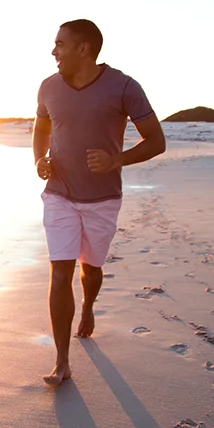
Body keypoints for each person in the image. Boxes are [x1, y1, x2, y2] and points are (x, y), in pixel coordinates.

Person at [33, 19, 166, 385]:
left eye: (60, 44)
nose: (53, 51)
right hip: (59, 193)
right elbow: (41, 127)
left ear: (84, 49)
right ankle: (62, 360)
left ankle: (88, 306)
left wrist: (115, 160)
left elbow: (156, 141)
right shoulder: (48, 87)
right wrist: (39, 159)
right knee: (60, 272)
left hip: (103, 198)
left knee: (89, 269)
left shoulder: (123, 87)